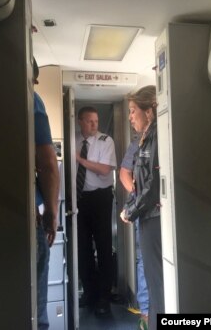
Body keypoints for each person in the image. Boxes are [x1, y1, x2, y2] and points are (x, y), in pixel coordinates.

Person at [120, 85, 164, 330]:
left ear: (149, 112)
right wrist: (130, 206)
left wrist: (131, 211)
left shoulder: (155, 139)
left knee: (156, 280)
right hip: (147, 216)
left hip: (153, 217)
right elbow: (137, 181)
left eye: (133, 111)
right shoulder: (143, 140)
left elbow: (152, 186)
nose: (130, 117)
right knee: (151, 276)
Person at [76, 106, 117, 315]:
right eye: (90, 121)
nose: (94, 125)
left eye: (96, 121)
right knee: (82, 248)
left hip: (100, 198)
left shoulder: (105, 141)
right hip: (79, 200)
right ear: (80, 121)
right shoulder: (73, 140)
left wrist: (81, 160)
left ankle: (104, 296)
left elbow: (104, 169)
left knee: (103, 246)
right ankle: (89, 293)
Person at [33, 58, 60, 330]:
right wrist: (52, 214)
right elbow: (49, 164)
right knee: (33, 310)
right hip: (25, 220)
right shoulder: (31, 99)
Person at [119, 138, 149, 330]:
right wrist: (139, 195)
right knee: (144, 258)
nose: (130, 117)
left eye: (133, 111)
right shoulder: (136, 144)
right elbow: (124, 174)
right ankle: (146, 312)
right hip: (145, 209)